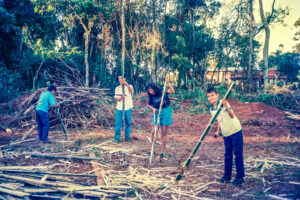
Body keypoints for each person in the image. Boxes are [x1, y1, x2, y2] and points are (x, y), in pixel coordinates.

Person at [207, 87, 245, 185]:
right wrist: (218, 131)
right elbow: (219, 120)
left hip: (235, 130)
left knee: (238, 154)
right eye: (208, 96)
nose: (211, 98)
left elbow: (232, 115)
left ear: (217, 95)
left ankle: (240, 177)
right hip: (226, 133)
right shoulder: (211, 109)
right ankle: (227, 176)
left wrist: (226, 107)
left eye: (212, 95)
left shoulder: (223, 103)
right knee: (228, 155)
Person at [146, 77, 175, 158]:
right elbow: (149, 104)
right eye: (149, 91)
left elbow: (172, 91)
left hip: (165, 111)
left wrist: (168, 83)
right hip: (156, 112)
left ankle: (162, 152)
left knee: (164, 133)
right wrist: (153, 108)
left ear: (154, 88)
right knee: (153, 132)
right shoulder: (151, 96)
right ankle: (152, 149)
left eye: (151, 90)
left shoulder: (162, 91)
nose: (150, 92)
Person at [114, 76, 134, 142]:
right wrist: (121, 98)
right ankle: (117, 138)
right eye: (119, 78)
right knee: (118, 123)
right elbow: (116, 98)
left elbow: (131, 91)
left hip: (127, 107)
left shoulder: (129, 86)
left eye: (121, 78)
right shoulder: (117, 88)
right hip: (119, 107)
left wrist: (126, 84)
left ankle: (127, 137)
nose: (120, 80)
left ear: (125, 78)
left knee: (128, 123)